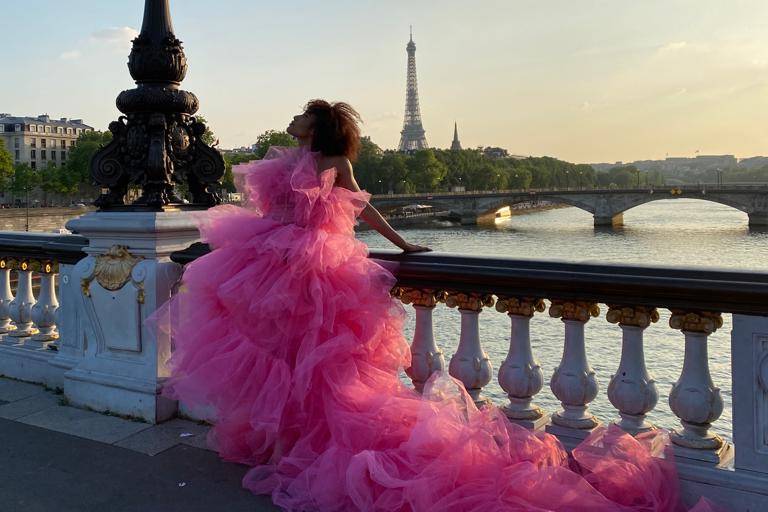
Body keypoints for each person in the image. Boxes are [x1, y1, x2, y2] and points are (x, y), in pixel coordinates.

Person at [157, 100, 721, 512]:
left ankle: (303, 446)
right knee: (287, 360)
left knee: (315, 364)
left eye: (303, 116)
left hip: (310, 268)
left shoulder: (333, 164)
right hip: (275, 265)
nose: (294, 121)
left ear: (319, 125)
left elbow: (362, 213)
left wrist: (401, 246)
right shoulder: (280, 160)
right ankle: (292, 445)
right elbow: (269, 211)